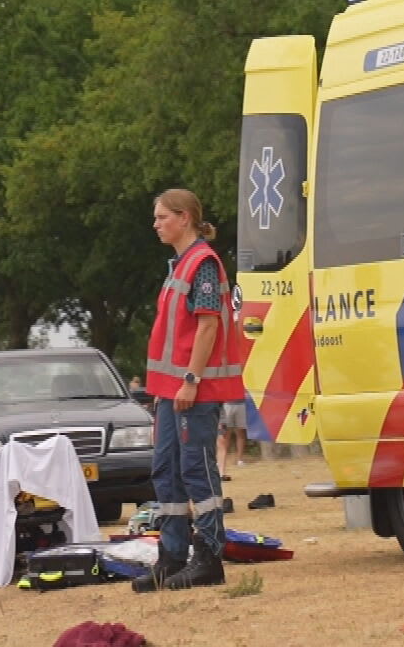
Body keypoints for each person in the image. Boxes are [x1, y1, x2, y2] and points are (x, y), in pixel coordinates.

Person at [132, 188, 241, 592]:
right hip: (170, 391)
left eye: (162, 217)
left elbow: (208, 325)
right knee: (166, 472)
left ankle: (209, 557)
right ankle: (173, 558)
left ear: (184, 218)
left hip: (193, 389)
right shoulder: (178, 265)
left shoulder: (202, 263)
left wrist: (191, 380)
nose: (156, 224)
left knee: (197, 471)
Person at [217, 399, 247, 482]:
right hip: (225, 405)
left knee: (240, 433)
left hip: (238, 403)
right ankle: (220, 468)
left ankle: (222, 472)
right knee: (223, 438)